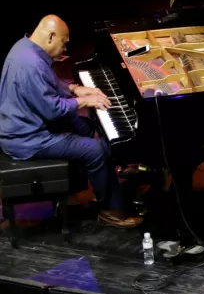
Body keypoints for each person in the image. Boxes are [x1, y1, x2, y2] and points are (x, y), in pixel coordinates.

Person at [0, 15, 142, 228]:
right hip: (27, 139)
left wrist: (74, 88)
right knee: (95, 149)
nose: (65, 49)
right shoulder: (30, 65)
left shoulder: (26, 47)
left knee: (89, 128)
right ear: (51, 37)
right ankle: (110, 211)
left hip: (26, 125)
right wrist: (84, 100)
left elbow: (48, 84)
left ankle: (99, 188)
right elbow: (54, 110)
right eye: (64, 43)